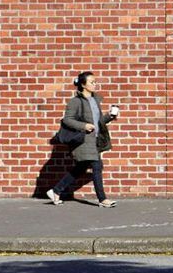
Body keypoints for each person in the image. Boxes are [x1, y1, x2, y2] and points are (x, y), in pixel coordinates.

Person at [46, 71, 119, 206]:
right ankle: (103, 199)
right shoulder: (76, 101)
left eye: (95, 82)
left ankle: (56, 190)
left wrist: (109, 116)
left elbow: (97, 122)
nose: (95, 84)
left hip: (94, 140)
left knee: (81, 167)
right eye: (92, 82)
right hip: (84, 140)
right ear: (83, 85)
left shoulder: (95, 100)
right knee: (96, 166)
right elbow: (67, 120)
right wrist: (84, 125)